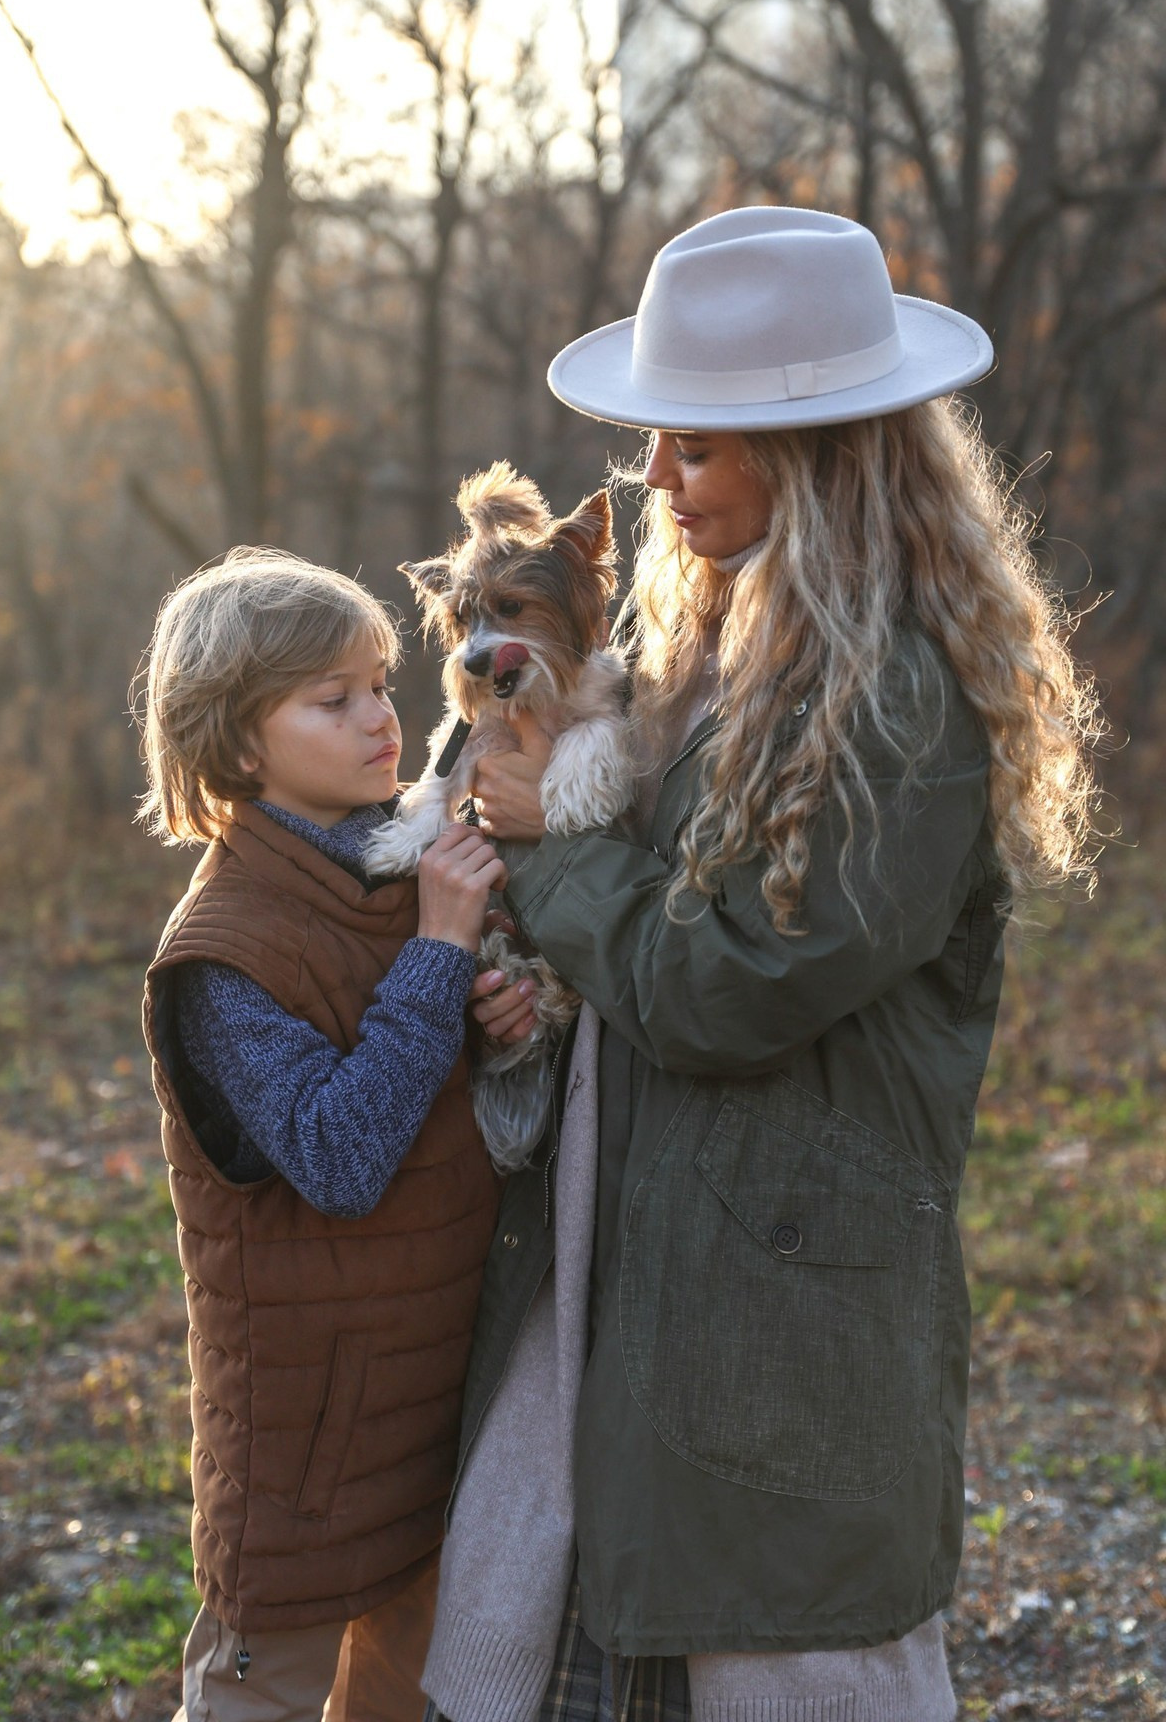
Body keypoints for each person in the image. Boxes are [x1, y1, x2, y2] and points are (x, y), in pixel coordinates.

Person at [421, 207, 1101, 1722]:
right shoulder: (721, 650)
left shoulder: (899, 703)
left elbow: (729, 987)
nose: (655, 477)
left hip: (783, 1334)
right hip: (649, 1284)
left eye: (697, 447)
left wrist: (555, 847)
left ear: (824, 457)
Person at [134, 547, 512, 1722]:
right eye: (330, 700)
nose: (379, 723)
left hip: (433, 1400)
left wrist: (485, 1018)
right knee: (264, 1697)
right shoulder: (222, 951)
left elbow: (410, 1068)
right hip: (309, 1437)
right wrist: (443, 952)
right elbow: (339, 1155)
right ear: (240, 744)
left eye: (380, 687)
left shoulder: (394, 861)